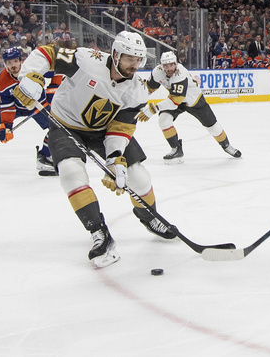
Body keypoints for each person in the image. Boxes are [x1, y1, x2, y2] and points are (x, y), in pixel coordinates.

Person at [12, 31, 176, 267]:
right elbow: (47, 53)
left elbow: (121, 127)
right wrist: (29, 76)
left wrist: (115, 158)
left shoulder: (137, 90)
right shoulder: (87, 60)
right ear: (116, 54)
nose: (135, 65)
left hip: (103, 131)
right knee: (70, 172)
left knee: (138, 174)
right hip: (65, 123)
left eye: (139, 60)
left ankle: (150, 216)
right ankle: (99, 233)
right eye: (130, 58)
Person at [0, 46, 56, 176]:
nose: (12, 65)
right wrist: (6, 126)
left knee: (56, 127)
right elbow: (7, 105)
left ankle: (45, 157)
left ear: (20, 61)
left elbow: (58, 72)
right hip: (16, 107)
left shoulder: (34, 68)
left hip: (37, 104)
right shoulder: (2, 82)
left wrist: (51, 92)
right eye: (8, 63)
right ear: (5, 64)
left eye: (15, 61)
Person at [136, 51, 241, 162]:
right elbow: (149, 89)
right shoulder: (157, 72)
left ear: (175, 63)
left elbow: (175, 101)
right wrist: (138, 102)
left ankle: (226, 146)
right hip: (176, 100)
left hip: (194, 101)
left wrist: (153, 109)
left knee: (213, 127)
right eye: (166, 66)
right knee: (164, 120)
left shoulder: (180, 74)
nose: (169, 68)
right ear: (162, 66)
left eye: (171, 65)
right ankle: (176, 148)